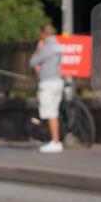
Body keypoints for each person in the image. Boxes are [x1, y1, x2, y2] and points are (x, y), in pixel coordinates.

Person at [30, 23, 65, 153]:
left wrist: (39, 48)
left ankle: (55, 142)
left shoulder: (46, 47)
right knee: (53, 111)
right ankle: (53, 139)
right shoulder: (58, 46)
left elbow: (32, 62)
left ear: (43, 34)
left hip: (47, 83)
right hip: (57, 80)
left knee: (50, 112)